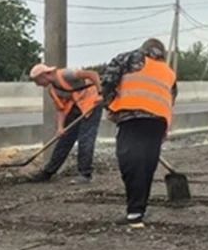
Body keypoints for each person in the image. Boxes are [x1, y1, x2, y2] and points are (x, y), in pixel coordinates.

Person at [100, 37, 178, 229]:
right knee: (146, 165)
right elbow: (171, 99)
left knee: (129, 162)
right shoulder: (169, 72)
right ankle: (137, 213)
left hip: (132, 118)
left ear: (144, 49)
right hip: (158, 122)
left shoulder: (131, 58)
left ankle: (135, 212)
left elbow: (108, 80)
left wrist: (109, 105)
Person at [26, 64, 103, 184]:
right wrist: (60, 128)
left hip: (91, 103)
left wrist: (100, 92)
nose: (37, 84)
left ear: (46, 75)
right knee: (64, 140)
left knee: (85, 139)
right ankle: (48, 172)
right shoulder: (52, 90)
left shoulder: (66, 74)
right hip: (75, 108)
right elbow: (61, 109)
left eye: (37, 81)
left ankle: (85, 174)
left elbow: (92, 74)